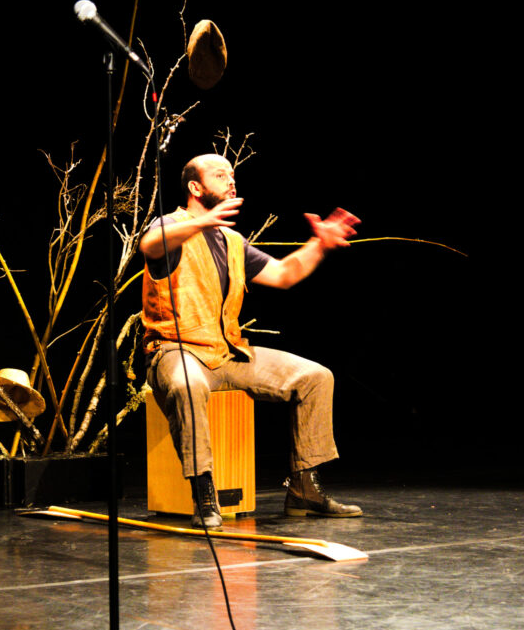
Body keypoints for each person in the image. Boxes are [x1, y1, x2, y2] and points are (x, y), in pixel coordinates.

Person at [140, 153, 362, 528]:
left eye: (232, 174)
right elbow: (150, 245)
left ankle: (304, 488)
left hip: (226, 352)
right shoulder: (171, 225)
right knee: (186, 385)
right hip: (176, 350)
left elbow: (283, 274)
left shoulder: (230, 240)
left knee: (315, 377)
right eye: (220, 174)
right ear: (195, 188)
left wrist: (319, 245)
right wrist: (199, 222)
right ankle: (203, 491)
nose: (231, 181)